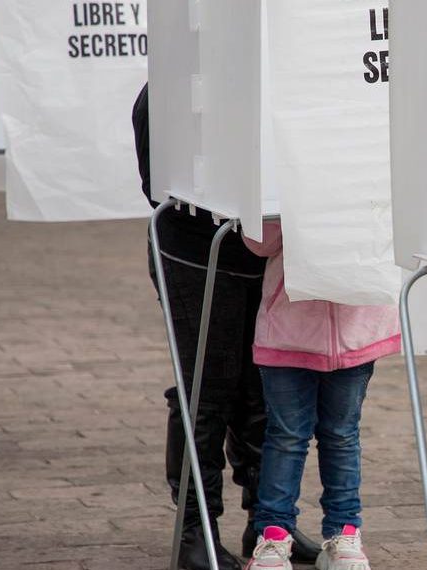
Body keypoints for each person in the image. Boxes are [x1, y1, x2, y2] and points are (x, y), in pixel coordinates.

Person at [132, 84, 321, 570]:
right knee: (206, 387)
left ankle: (267, 519)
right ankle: (195, 530)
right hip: (194, 253)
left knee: (264, 389)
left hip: (266, 254)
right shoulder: (174, 79)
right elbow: (157, 180)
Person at [242, 220, 400, 570]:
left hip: (356, 329)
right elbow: (259, 243)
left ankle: (344, 532)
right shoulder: (284, 173)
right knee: (286, 436)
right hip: (288, 331)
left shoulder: (371, 172)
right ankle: (273, 535)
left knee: (342, 436)